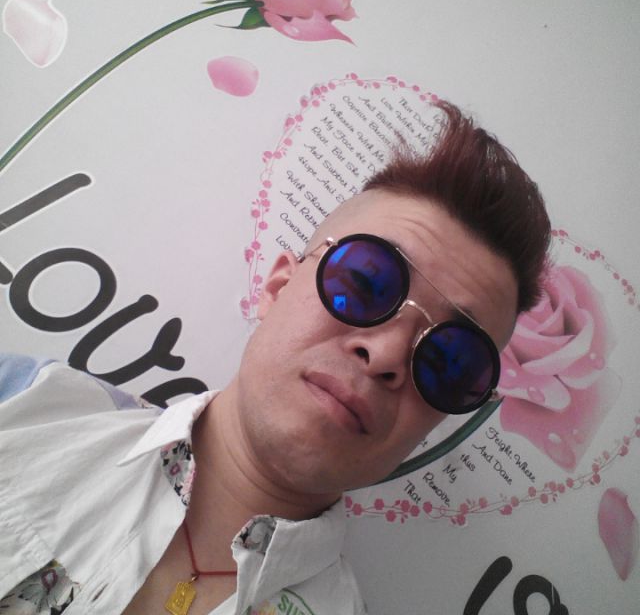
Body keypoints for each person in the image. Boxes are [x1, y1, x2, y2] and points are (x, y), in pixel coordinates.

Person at [0, 102, 550, 615]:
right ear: (278, 286)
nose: (385, 355)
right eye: (366, 283)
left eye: (451, 361)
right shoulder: (26, 407)